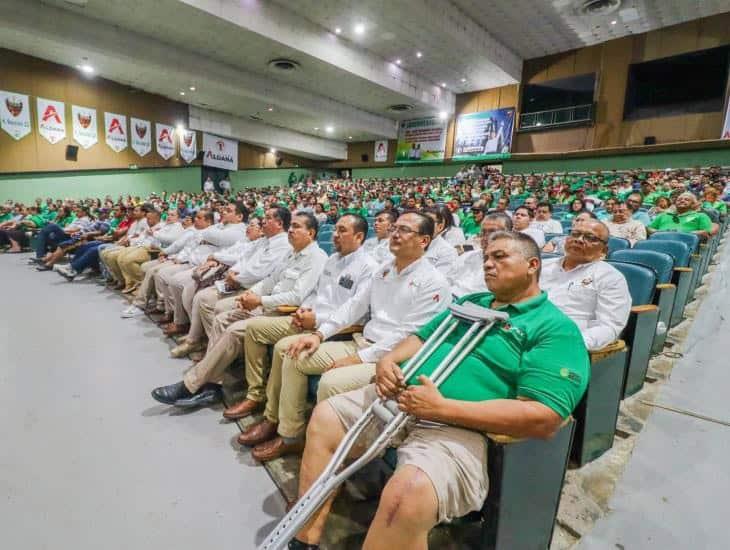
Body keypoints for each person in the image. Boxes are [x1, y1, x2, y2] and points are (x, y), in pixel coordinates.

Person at [286, 231, 589, 549]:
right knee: (326, 416)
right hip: (402, 400)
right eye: (486, 257)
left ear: (532, 265)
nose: (488, 264)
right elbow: (420, 337)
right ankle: (305, 538)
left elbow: (545, 417)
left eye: (499, 257)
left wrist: (442, 408)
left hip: (460, 426)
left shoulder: (555, 328)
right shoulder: (472, 303)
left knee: (408, 493)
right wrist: (388, 360)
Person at [243, 212, 451, 462]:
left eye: (404, 230)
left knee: (331, 382)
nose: (395, 233)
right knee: (295, 353)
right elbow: (353, 307)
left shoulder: (433, 282)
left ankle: (333, 458)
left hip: (391, 359)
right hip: (362, 343)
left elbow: (408, 336)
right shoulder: (385, 270)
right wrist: (319, 335)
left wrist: (358, 358)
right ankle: (291, 436)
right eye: (394, 228)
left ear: (424, 240)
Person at [151, 212, 327, 409]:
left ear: (310, 233)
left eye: (296, 226)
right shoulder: (292, 253)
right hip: (268, 305)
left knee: (233, 330)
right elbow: (270, 280)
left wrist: (259, 300)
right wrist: (250, 294)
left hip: (285, 313)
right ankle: (213, 385)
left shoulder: (316, 258)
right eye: (291, 226)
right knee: (221, 318)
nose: (291, 230)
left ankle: (190, 384)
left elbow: (296, 296)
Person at [233, 215, 377, 453]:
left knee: (287, 350)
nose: (335, 235)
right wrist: (305, 309)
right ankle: (271, 417)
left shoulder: (368, 267)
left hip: (338, 329)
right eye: (335, 230)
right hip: (311, 320)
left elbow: (354, 311)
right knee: (276, 342)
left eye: (342, 231)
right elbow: (315, 293)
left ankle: (286, 431)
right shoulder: (332, 260)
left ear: (359, 236)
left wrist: (318, 322)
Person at [169, 207, 292, 357]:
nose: (263, 221)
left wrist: (236, 277)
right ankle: (204, 343)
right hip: (238, 280)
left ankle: (214, 350)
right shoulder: (264, 241)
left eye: (267, 218)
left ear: (279, 223)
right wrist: (234, 272)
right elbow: (244, 259)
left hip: (252, 288)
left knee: (206, 300)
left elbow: (259, 271)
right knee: (200, 296)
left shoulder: (282, 244)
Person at [540, 219, 631, 350]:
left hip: (564, 343)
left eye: (590, 237)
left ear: (604, 250)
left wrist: (572, 344)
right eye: (575, 234)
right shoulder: (543, 266)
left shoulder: (611, 277)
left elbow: (609, 327)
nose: (579, 239)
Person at [452, 212, 512, 298]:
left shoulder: (513, 264)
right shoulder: (467, 256)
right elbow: (448, 280)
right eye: (483, 232)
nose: (485, 237)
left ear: (509, 234)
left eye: (492, 232)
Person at [647, 192, 713, 241]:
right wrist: (662, 232)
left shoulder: (700, 216)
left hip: (685, 244)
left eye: (686, 200)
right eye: (679, 199)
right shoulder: (663, 215)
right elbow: (649, 229)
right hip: (658, 241)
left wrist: (680, 233)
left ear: (693, 204)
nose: (682, 200)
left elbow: (705, 233)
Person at [422, 206, 459, 284]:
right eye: (422, 222)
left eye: (429, 222)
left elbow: (439, 283)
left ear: (440, 227)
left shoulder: (448, 251)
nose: (423, 226)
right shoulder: (410, 243)